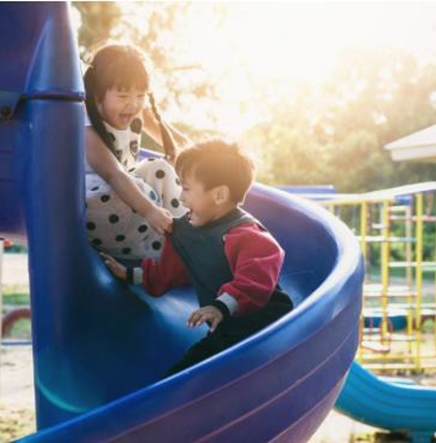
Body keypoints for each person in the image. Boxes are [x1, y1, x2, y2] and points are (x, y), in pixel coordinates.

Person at [101, 140, 293, 376]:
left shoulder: (247, 235)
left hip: (268, 323)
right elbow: (174, 270)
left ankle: (168, 404)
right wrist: (131, 274)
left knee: (192, 371)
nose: (180, 197)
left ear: (219, 195)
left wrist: (220, 306)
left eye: (187, 188)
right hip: (228, 325)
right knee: (196, 364)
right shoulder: (189, 233)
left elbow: (255, 281)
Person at [83, 43, 188, 260]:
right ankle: (154, 252)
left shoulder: (139, 111)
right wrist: (150, 210)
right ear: (97, 95)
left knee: (159, 168)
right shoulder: (85, 125)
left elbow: (181, 144)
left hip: (129, 200)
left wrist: (203, 161)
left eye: (140, 95)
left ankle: (189, 237)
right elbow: (113, 173)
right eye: (122, 96)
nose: (132, 104)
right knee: (136, 186)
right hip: (93, 203)